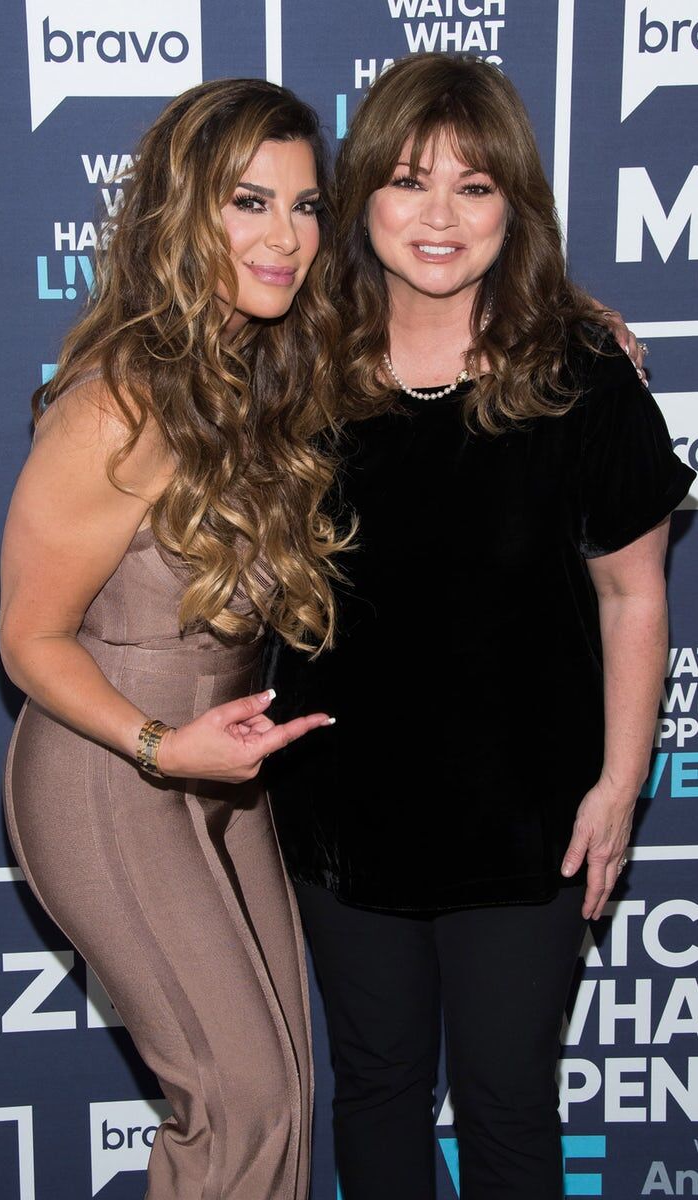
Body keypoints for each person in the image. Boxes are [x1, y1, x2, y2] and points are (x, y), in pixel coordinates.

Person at [268, 54, 695, 1200]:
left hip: (528, 828)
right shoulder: (293, 369)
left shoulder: (583, 374)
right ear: (362, 198)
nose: (440, 217)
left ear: (517, 205)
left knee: (509, 1107)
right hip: (344, 818)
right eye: (409, 181)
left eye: (476, 186)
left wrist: (619, 785)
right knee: (377, 1090)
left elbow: (634, 593)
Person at [0, 78, 346, 1200]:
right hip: (113, 768)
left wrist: (579, 323)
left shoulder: (266, 369)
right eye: (251, 202)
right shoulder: (118, 405)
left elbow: (442, 321)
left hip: (227, 764)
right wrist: (159, 746)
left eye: (304, 207)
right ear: (185, 211)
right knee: (241, 1105)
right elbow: (31, 639)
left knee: (285, 1088)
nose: (285, 238)